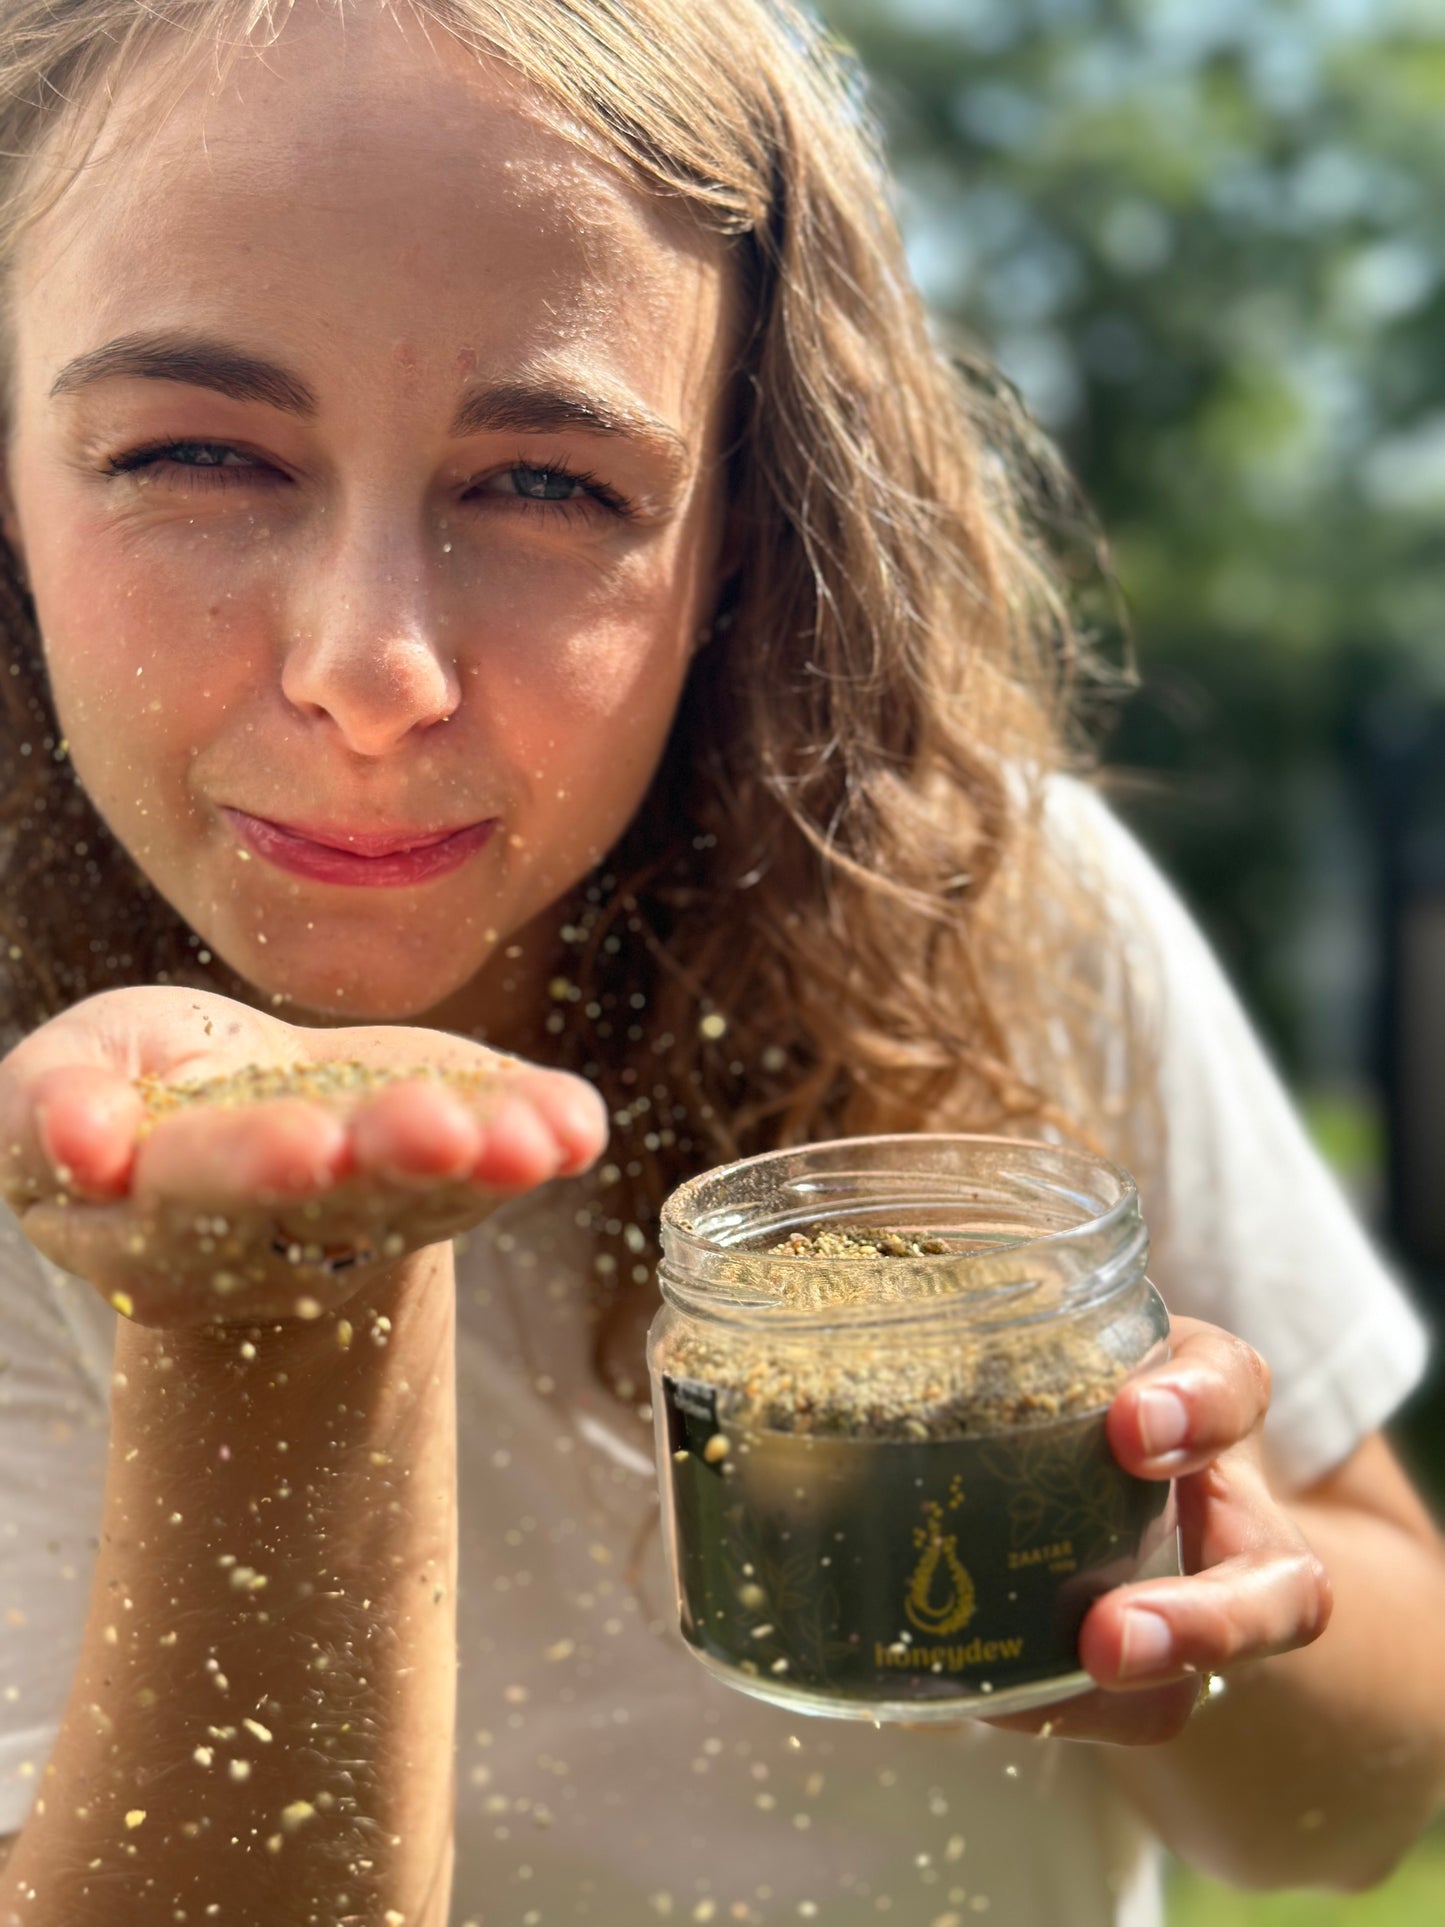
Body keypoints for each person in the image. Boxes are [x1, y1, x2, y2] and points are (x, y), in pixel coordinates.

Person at [0, 1, 1439, 1922]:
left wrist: (1186, 1605)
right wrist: (267, 1336)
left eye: (545, 485)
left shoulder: (985, 903)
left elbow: (1349, 1822)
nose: (370, 667)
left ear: (732, 551)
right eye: (194, 451)